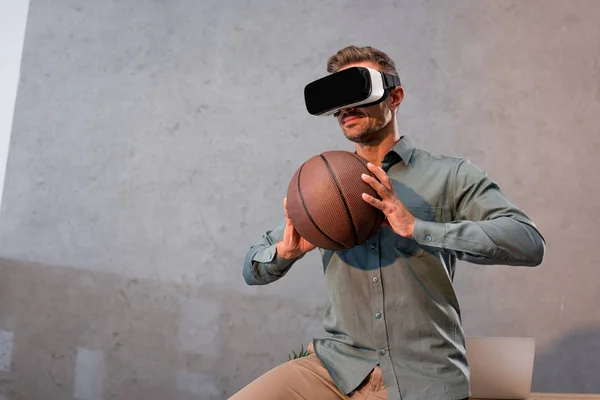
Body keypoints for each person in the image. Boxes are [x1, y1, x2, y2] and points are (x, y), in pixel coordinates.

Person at [231, 45, 546, 400]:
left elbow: (528, 242)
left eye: (357, 93)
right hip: (337, 371)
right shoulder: (325, 188)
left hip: (425, 379)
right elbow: (251, 266)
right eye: (339, 99)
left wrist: (417, 227)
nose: (346, 108)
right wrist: (285, 251)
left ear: (394, 97)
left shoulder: (451, 175)